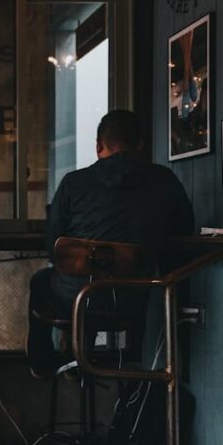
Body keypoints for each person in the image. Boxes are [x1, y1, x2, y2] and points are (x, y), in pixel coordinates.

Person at [27, 109, 195, 377]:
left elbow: (53, 246)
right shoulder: (165, 181)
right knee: (103, 287)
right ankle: (87, 359)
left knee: (42, 281)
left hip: (78, 300)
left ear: (98, 145)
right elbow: (184, 235)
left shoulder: (74, 183)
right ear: (140, 145)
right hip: (137, 298)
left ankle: (47, 362)